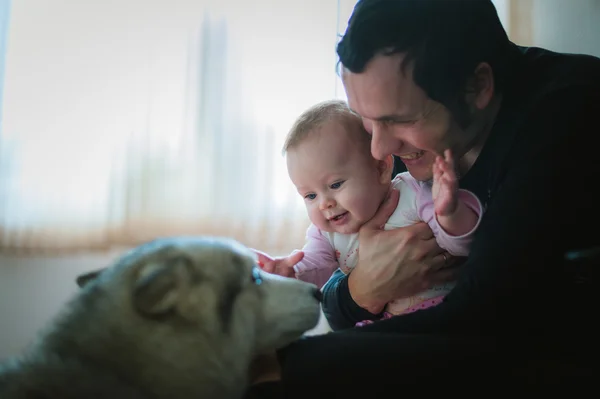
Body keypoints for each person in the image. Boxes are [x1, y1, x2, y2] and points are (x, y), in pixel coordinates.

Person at [245, 0, 600, 396]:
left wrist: (289, 363)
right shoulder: (407, 136)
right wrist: (360, 290)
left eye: (399, 120)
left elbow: (485, 316)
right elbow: (339, 298)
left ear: (477, 86)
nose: (380, 151)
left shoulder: (568, 115)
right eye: (368, 119)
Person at [255, 99, 482, 323]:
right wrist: (290, 272)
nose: (324, 204)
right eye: (310, 196)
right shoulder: (325, 233)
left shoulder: (412, 192)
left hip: (443, 316)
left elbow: (463, 246)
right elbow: (316, 268)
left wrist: (449, 214)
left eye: (335, 185)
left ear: (381, 168)